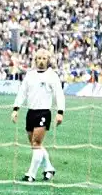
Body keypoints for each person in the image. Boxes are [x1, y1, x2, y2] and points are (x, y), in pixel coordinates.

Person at [11, 48, 65, 182]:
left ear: (48, 60)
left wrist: (60, 112)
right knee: (35, 145)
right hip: (31, 112)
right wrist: (16, 108)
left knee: (36, 143)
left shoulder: (52, 76)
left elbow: (59, 94)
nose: (41, 61)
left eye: (44, 58)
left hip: (43, 112)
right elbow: (22, 92)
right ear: (35, 60)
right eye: (39, 58)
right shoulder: (30, 75)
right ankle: (49, 168)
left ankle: (31, 175)